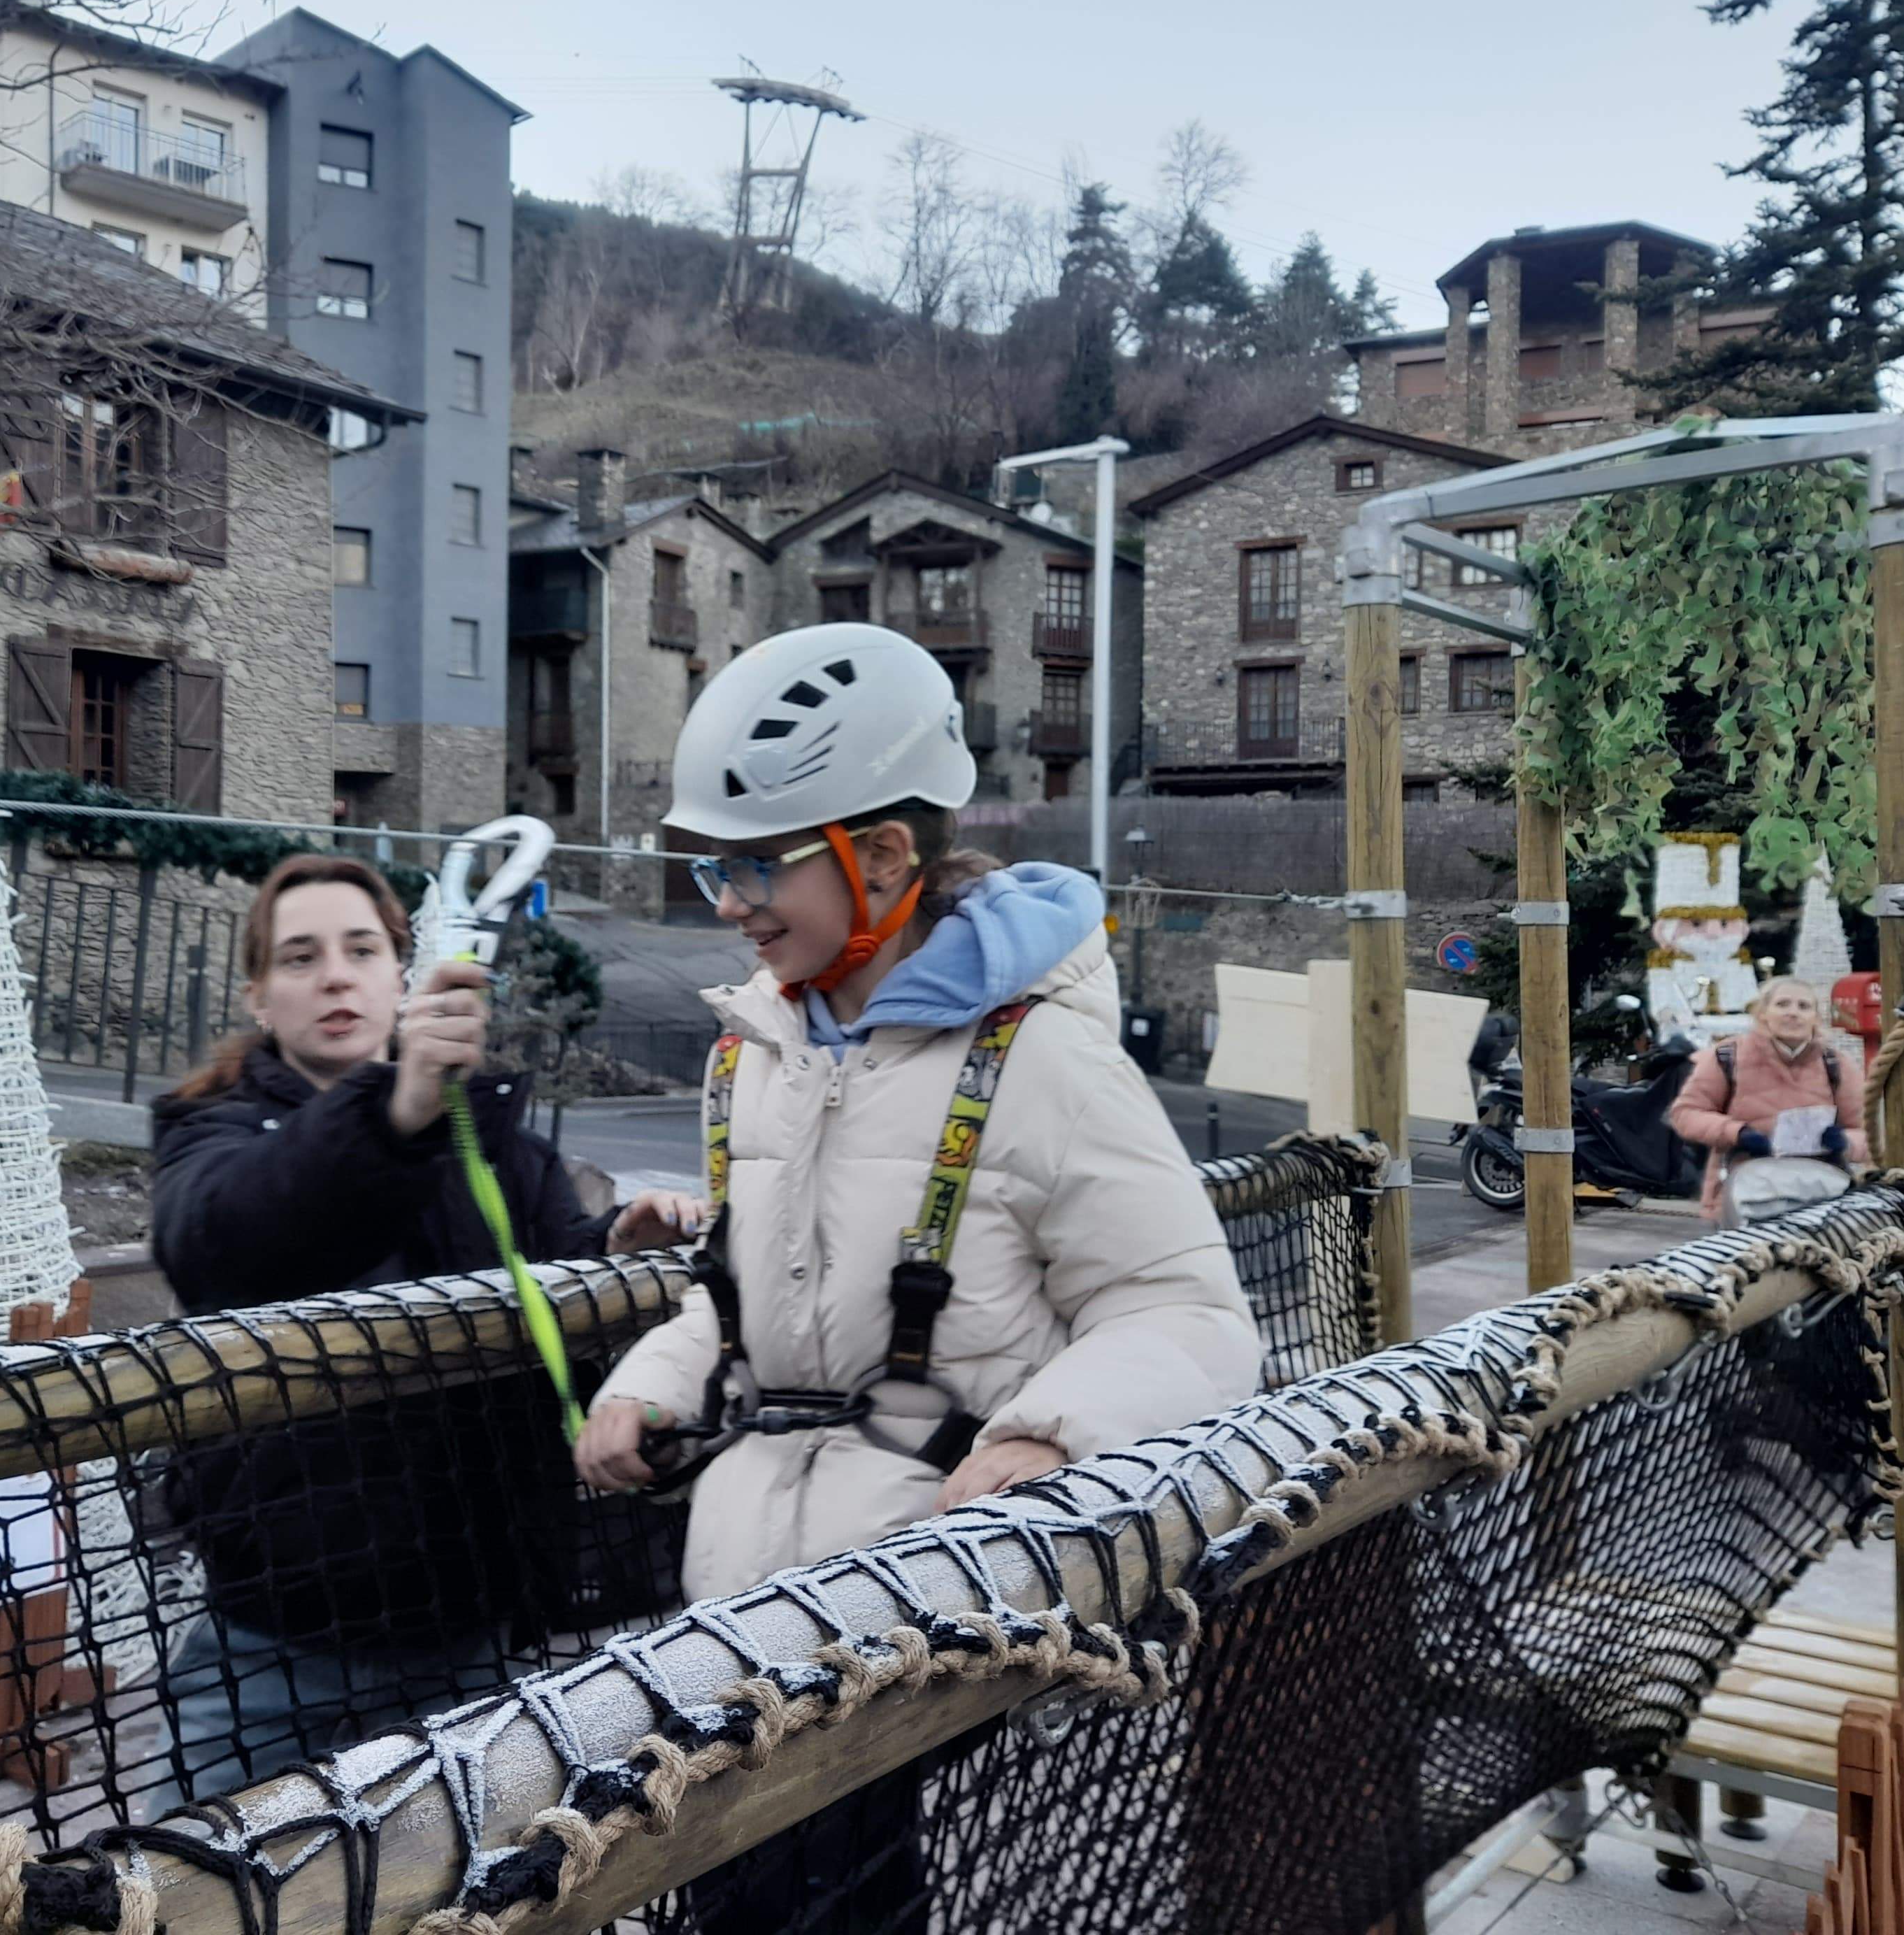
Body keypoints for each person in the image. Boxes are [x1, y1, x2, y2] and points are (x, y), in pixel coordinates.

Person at [571, 623, 1261, 1935]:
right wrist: (652, 1383)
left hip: (917, 1618)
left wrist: (1050, 1437)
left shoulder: (1041, 1063)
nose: (727, 901)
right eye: (713, 866)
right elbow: (736, 1295)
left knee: (840, 1901)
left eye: (756, 865)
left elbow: (1188, 1313)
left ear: (882, 856)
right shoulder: (758, 1054)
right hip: (740, 1608)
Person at [149, 852, 697, 1802]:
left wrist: (614, 1248)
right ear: (259, 997)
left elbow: (545, 1262)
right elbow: (226, 1239)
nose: (334, 974)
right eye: (300, 956)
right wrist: (394, 1111)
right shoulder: (210, 1132)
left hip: (468, 1640)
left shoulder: (494, 1143)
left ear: (399, 977)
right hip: (271, 1648)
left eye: (362, 949)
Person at [1668, 975, 1868, 1227]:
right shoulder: (1728, 1056)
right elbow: (1686, 1114)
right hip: (1744, 1190)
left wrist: (1845, 1142)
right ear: (1763, 1013)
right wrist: (1737, 1133)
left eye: (1804, 1007)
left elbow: (1870, 1134)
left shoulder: (1836, 1064)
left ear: (1816, 1018)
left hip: (1821, 1193)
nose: (1793, 1013)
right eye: (1783, 1004)